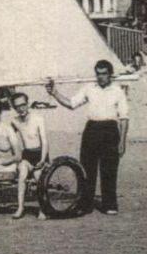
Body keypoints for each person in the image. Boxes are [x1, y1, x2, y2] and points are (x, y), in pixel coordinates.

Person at [51, 59, 130, 215]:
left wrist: (122, 141)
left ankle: (110, 205)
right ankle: (85, 204)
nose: (100, 77)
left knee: (109, 170)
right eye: (98, 74)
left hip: (110, 130)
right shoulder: (89, 89)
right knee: (86, 169)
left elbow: (124, 118)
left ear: (110, 75)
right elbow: (71, 104)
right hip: (92, 130)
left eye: (104, 74)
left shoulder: (118, 91)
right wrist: (54, 93)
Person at [8, 90, 48, 219]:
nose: (21, 109)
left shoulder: (38, 119)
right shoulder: (15, 121)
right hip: (27, 155)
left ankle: (43, 209)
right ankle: (20, 208)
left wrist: (42, 160)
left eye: (23, 105)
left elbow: (45, 141)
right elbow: (9, 135)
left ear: (27, 103)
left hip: (39, 153)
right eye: (17, 106)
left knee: (38, 179)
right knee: (22, 177)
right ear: (14, 108)